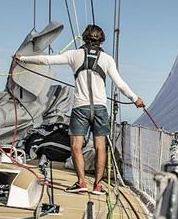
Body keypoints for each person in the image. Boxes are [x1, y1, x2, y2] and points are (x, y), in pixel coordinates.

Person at [15, 24, 145, 194]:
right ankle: (98, 186)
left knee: (76, 146)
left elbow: (48, 60)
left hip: (80, 108)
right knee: (100, 147)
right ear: (101, 40)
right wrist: (135, 99)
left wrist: (23, 58)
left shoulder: (74, 55)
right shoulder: (107, 59)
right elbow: (120, 83)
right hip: (100, 108)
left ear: (84, 38)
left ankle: (81, 183)